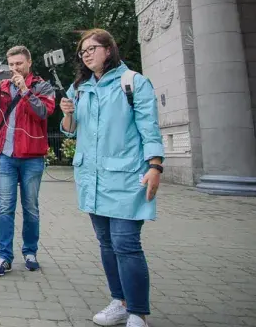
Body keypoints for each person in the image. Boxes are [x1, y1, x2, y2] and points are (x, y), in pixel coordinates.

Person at [60, 28, 163, 327]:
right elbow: (70, 129)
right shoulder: (79, 87)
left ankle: (138, 313)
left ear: (109, 49)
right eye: (82, 51)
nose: (86, 54)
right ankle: (119, 302)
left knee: (126, 244)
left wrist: (155, 167)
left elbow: (149, 128)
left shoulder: (133, 83)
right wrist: (67, 111)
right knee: (106, 243)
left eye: (92, 48)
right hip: (91, 178)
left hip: (128, 176)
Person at [0, 46, 55, 276]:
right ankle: (4, 256)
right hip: (5, 156)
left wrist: (25, 90)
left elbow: (44, 112)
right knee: (5, 208)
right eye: (11, 65)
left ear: (29, 63)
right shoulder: (2, 86)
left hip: (32, 156)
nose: (15, 69)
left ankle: (30, 252)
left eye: (19, 64)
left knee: (30, 207)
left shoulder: (42, 85)